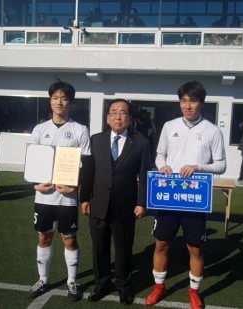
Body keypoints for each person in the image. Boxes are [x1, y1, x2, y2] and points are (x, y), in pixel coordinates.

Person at [145, 81, 226, 309]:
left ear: (201, 102)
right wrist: (162, 166)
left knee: (195, 248)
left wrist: (199, 166)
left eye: (193, 100)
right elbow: (160, 155)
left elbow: (221, 165)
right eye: (184, 101)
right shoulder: (169, 126)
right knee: (161, 243)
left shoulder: (212, 130)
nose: (188, 105)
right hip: (169, 195)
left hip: (194, 198)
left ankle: (193, 291)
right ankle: (159, 286)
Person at [79, 99, 151, 305]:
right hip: (98, 203)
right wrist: (84, 198)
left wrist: (142, 202)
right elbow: (88, 172)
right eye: (113, 113)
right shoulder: (95, 140)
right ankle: (101, 284)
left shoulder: (141, 142)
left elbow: (144, 175)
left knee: (124, 250)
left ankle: (124, 287)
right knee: (99, 248)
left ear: (130, 118)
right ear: (107, 118)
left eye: (123, 113)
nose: (118, 117)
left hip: (125, 206)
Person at [27, 80, 90, 302]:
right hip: (43, 196)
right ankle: (43, 279)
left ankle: (72, 281)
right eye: (55, 98)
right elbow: (32, 162)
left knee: (69, 239)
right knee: (44, 237)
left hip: (68, 198)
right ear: (50, 101)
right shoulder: (39, 129)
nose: (59, 102)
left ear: (70, 102)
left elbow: (86, 164)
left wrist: (75, 186)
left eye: (63, 98)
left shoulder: (80, 130)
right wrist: (35, 184)